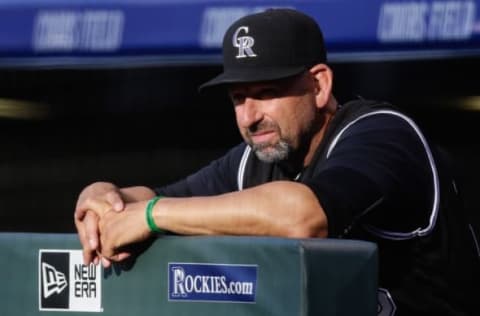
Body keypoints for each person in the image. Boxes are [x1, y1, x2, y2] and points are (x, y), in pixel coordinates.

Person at [74, 8, 478, 316]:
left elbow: (304, 216)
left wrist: (149, 215)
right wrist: (104, 195)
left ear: (319, 86)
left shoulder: (383, 133)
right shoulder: (255, 159)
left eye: (267, 92)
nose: (249, 116)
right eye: (237, 98)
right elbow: (159, 198)